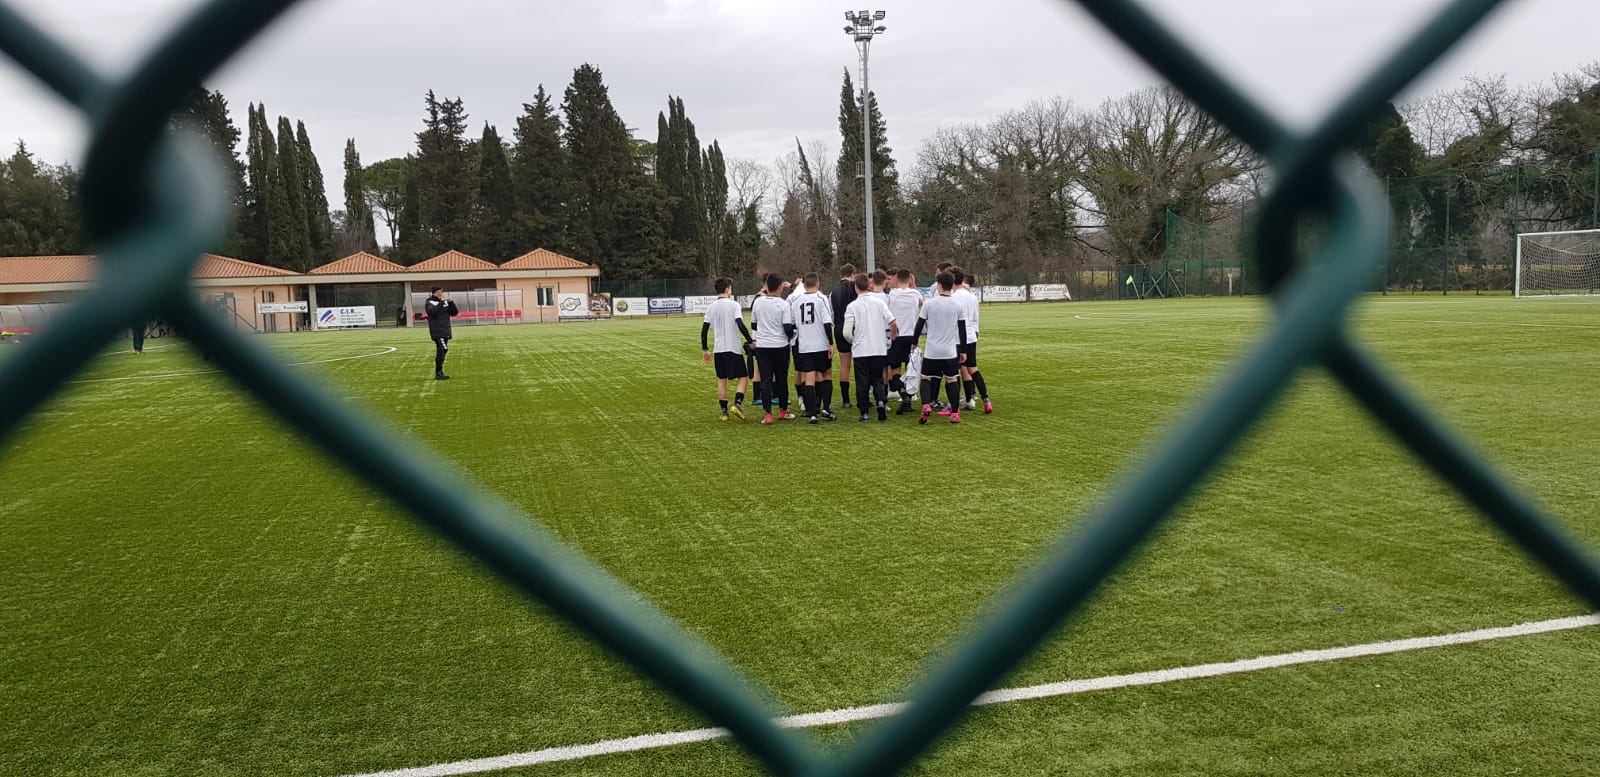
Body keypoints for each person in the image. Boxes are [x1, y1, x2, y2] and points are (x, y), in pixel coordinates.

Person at [913, 271, 969, 425]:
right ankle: (955, 413)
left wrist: (914, 342)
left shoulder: (929, 303)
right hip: (949, 351)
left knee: (926, 378)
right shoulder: (958, 305)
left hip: (932, 350)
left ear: (939, 285)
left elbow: (919, 325)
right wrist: (963, 351)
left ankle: (926, 405)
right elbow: (962, 330)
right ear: (952, 286)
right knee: (952, 379)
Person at [842, 273, 897, 422]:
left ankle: (864, 412)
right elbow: (893, 322)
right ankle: (881, 401)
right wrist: (891, 339)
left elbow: (846, 332)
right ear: (869, 285)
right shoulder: (879, 303)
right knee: (877, 378)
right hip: (878, 348)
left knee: (862, 381)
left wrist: (854, 341)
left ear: (856, 287)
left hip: (861, 350)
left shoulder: (852, 306)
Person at [701, 277, 754, 421]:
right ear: (727, 289)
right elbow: (740, 324)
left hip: (719, 349)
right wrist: (750, 341)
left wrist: (705, 349)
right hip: (733, 348)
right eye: (730, 288)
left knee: (721, 380)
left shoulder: (711, 307)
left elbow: (704, 330)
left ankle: (724, 413)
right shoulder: (734, 305)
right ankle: (737, 404)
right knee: (743, 378)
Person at [750, 274, 798, 424]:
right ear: (779, 287)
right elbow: (788, 328)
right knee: (781, 379)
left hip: (763, 347)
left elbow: (754, 325)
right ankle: (783, 411)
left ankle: (768, 414)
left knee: (765, 380)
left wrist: (755, 340)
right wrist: (793, 334)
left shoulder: (758, 302)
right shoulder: (783, 304)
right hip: (780, 346)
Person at [789, 272, 836, 424]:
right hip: (820, 344)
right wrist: (831, 343)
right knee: (826, 375)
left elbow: (792, 325)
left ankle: (813, 413)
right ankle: (826, 409)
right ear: (817, 284)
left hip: (804, 346)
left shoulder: (796, 300)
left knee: (809, 378)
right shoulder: (821, 298)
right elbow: (827, 322)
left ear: (804, 285)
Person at [951, 266, 993, 414]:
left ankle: (954, 406)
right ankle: (985, 400)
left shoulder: (952, 298)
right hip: (971, 336)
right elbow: (975, 318)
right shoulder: (972, 297)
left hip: (957, 338)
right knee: (972, 369)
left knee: (954, 372)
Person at [886, 268, 922, 412]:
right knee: (911, 369)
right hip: (911, 336)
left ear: (896, 278)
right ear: (909, 279)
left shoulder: (892, 295)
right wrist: (913, 285)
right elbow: (921, 302)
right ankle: (909, 397)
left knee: (895, 369)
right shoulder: (915, 294)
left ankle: (903, 393)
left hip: (897, 335)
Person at [830, 264, 859, 409]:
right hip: (855, 326)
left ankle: (846, 399)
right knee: (860, 364)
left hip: (839, 327)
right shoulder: (856, 287)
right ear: (853, 274)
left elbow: (831, 313)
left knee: (844, 365)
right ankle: (862, 396)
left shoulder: (833, 291)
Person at [425, 285, 459, 380]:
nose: (440, 294)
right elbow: (433, 313)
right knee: (442, 349)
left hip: (445, 329)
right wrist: (441, 302)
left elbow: (454, 313)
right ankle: (438, 372)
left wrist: (451, 302)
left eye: (441, 292)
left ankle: (439, 372)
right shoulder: (429, 302)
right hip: (437, 330)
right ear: (434, 293)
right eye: (438, 292)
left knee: (443, 350)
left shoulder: (445, 302)